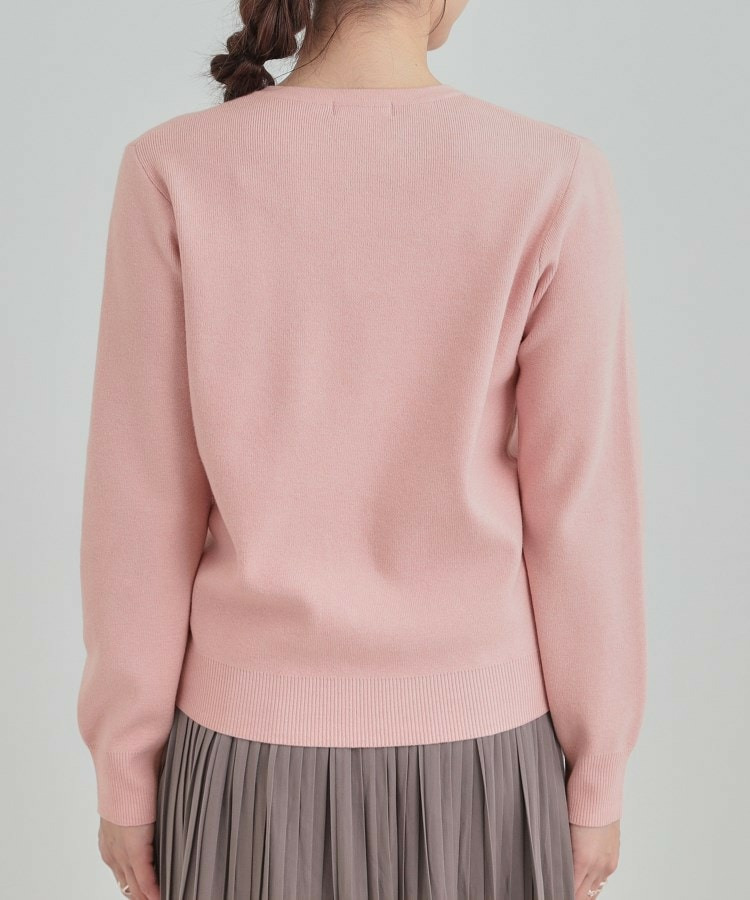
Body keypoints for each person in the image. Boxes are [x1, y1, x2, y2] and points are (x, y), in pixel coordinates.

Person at [76, 0, 647, 897]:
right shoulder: (553, 176)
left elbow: (142, 504)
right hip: (484, 761)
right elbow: (581, 508)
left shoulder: (173, 167)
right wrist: (599, 771)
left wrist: (124, 767)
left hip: (246, 763)